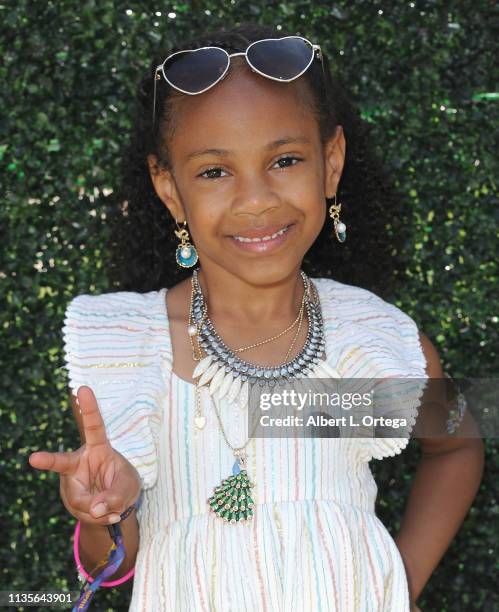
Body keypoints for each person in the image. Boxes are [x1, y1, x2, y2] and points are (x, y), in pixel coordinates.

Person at [29, 22, 484, 612]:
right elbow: (113, 563)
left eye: (286, 159)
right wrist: (101, 514)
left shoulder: (364, 343)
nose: (256, 200)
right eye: (215, 171)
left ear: (332, 162)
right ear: (169, 189)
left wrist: (403, 577)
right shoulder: (129, 356)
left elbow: (458, 444)